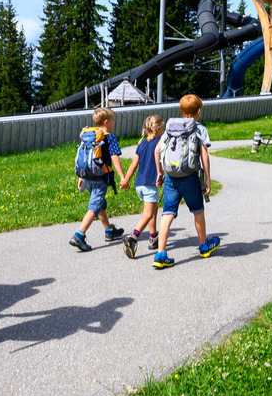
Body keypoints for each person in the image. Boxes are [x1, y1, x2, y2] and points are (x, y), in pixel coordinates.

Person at [152, 94, 219, 269]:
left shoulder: (170, 127)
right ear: (198, 111)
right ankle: (204, 246)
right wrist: (207, 178)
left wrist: (160, 173)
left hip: (171, 178)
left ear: (181, 111)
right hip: (190, 177)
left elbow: (157, 150)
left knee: (167, 213)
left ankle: (160, 254)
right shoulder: (199, 128)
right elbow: (204, 154)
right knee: (198, 211)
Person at [69, 107, 126, 252]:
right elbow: (114, 158)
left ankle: (108, 230)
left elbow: (86, 157)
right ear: (106, 122)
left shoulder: (90, 135)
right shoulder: (109, 137)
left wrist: (82, 176)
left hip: (88, 176)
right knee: (94, 206)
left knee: (100, 203)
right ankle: (79, 234)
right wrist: (122, 176)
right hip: (101, 177)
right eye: (113, 120)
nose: (114, 122)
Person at [119, 115, 165, 259]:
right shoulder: (160, 142)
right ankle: (133, 237)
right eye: (163, 129)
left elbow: (133, 165)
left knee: (153, 209)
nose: (163, 131)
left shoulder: (142, 144)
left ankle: (153, 237)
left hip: (140, 183)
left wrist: (126, 181)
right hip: (151, 183)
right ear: (157, 129)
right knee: (147, 214)